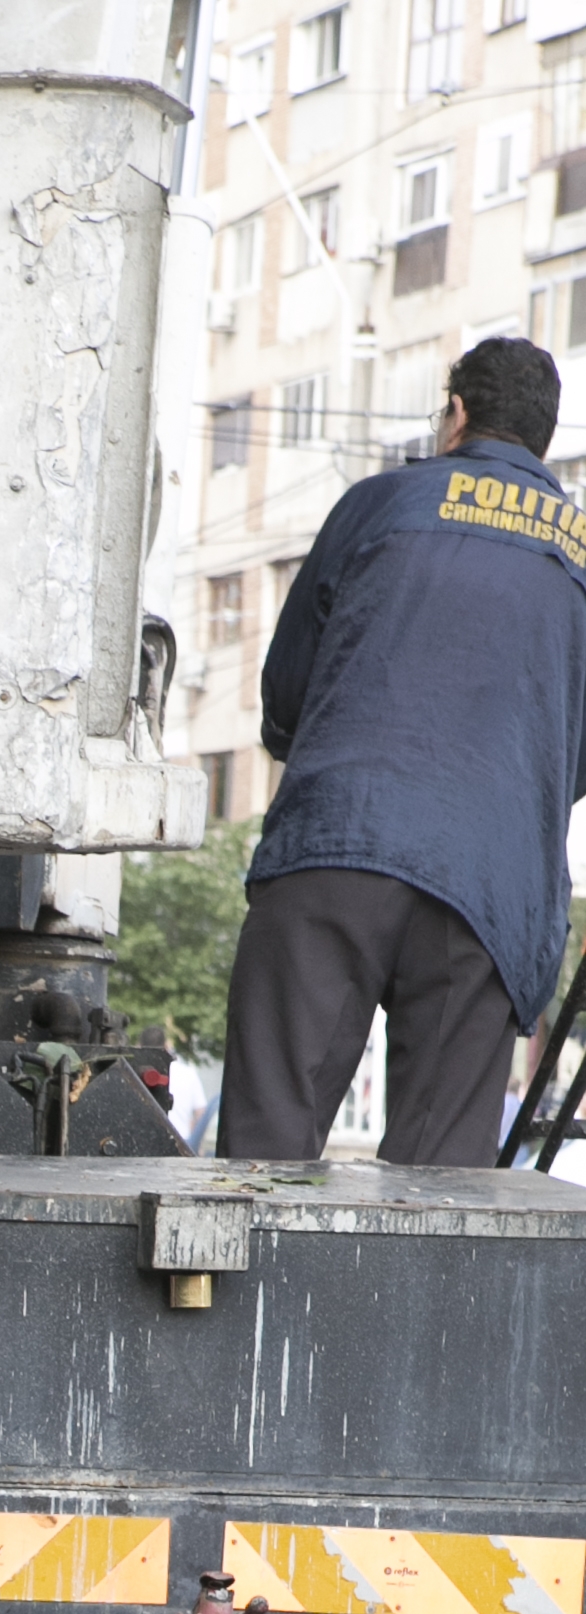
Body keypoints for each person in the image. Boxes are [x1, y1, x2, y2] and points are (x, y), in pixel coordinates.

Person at [217, 335, 586, 1167]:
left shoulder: (381, 503)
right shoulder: (581, 552)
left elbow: (287, 695)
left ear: (456, 416)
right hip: (489, 892)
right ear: (545, 440)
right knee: (435, 1196)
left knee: (262, 1167)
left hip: (337, 848)